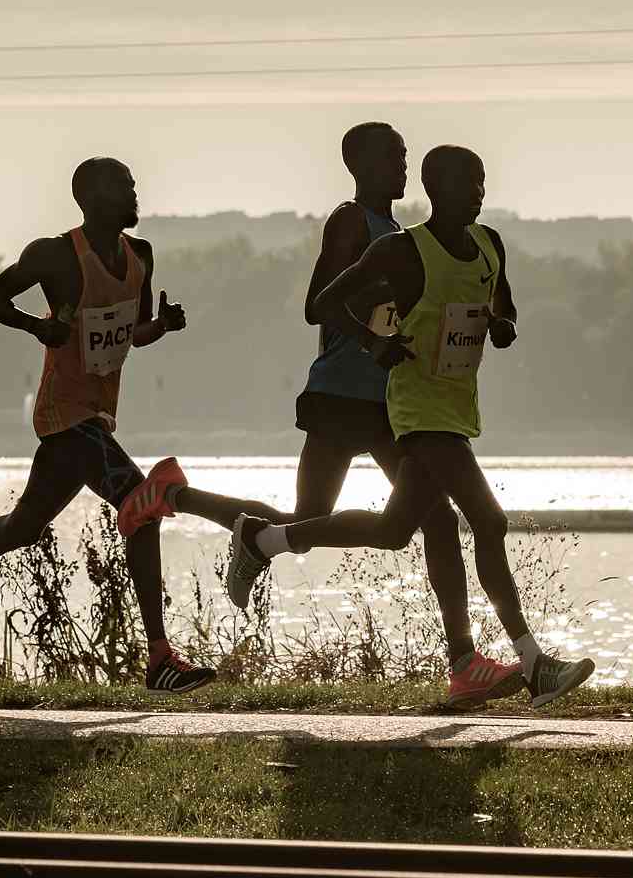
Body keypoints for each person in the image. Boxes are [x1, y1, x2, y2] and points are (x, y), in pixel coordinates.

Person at [113, 123, 524, 709]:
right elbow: (317, 306)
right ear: (357, 164)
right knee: (308, 521)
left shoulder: (407, 236)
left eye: (405, 156)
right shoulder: (352, 222)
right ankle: (179, 498)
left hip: (390, 403)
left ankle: (463, 662)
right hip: (340, 395)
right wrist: (371, 340)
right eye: (391, 158)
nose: (401, 167)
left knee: (430, 521)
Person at [224, 144, 595, 708]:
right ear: (436, 189)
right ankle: (533, 661)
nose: (478, 192)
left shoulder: (490, 245)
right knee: (488, 522)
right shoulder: (401, 250)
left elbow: (505, 304)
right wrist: (374, 340)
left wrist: (502, 324)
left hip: (457, 407)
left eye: (482, 181)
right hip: (417, 410)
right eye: (467, 183)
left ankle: (265, 538)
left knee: (399, 529)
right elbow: (325, 301)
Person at [0, 156, 243, 695]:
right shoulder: (54, 255)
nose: (135, 192)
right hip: (62, 414)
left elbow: (134, 331)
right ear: (93, 197)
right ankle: (161, 657)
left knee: (20, 530)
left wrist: (161, 326)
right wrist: (38, 327)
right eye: (125, 185)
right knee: (143, 504)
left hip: (97, 414)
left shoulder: (139, 255)